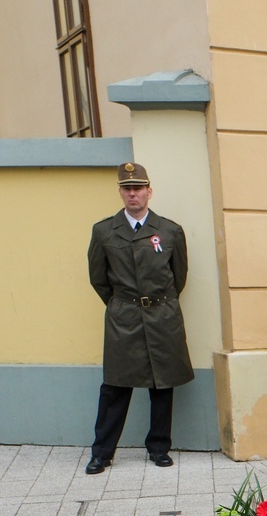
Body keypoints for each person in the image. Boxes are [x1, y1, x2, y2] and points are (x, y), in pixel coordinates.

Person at [85, 163, 192, 474]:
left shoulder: (169, 231)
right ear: (121, 193)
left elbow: (179, 276)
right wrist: (124, 305)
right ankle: (102, 453)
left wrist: (157, 304)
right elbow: (98, 278)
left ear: (149, 192)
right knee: (115, 386)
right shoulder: (104, 231)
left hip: (162, 316)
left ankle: (159, 448)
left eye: (138, 188)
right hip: (124, 319)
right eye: (127, 189)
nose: (133, 194)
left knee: (162, 384)